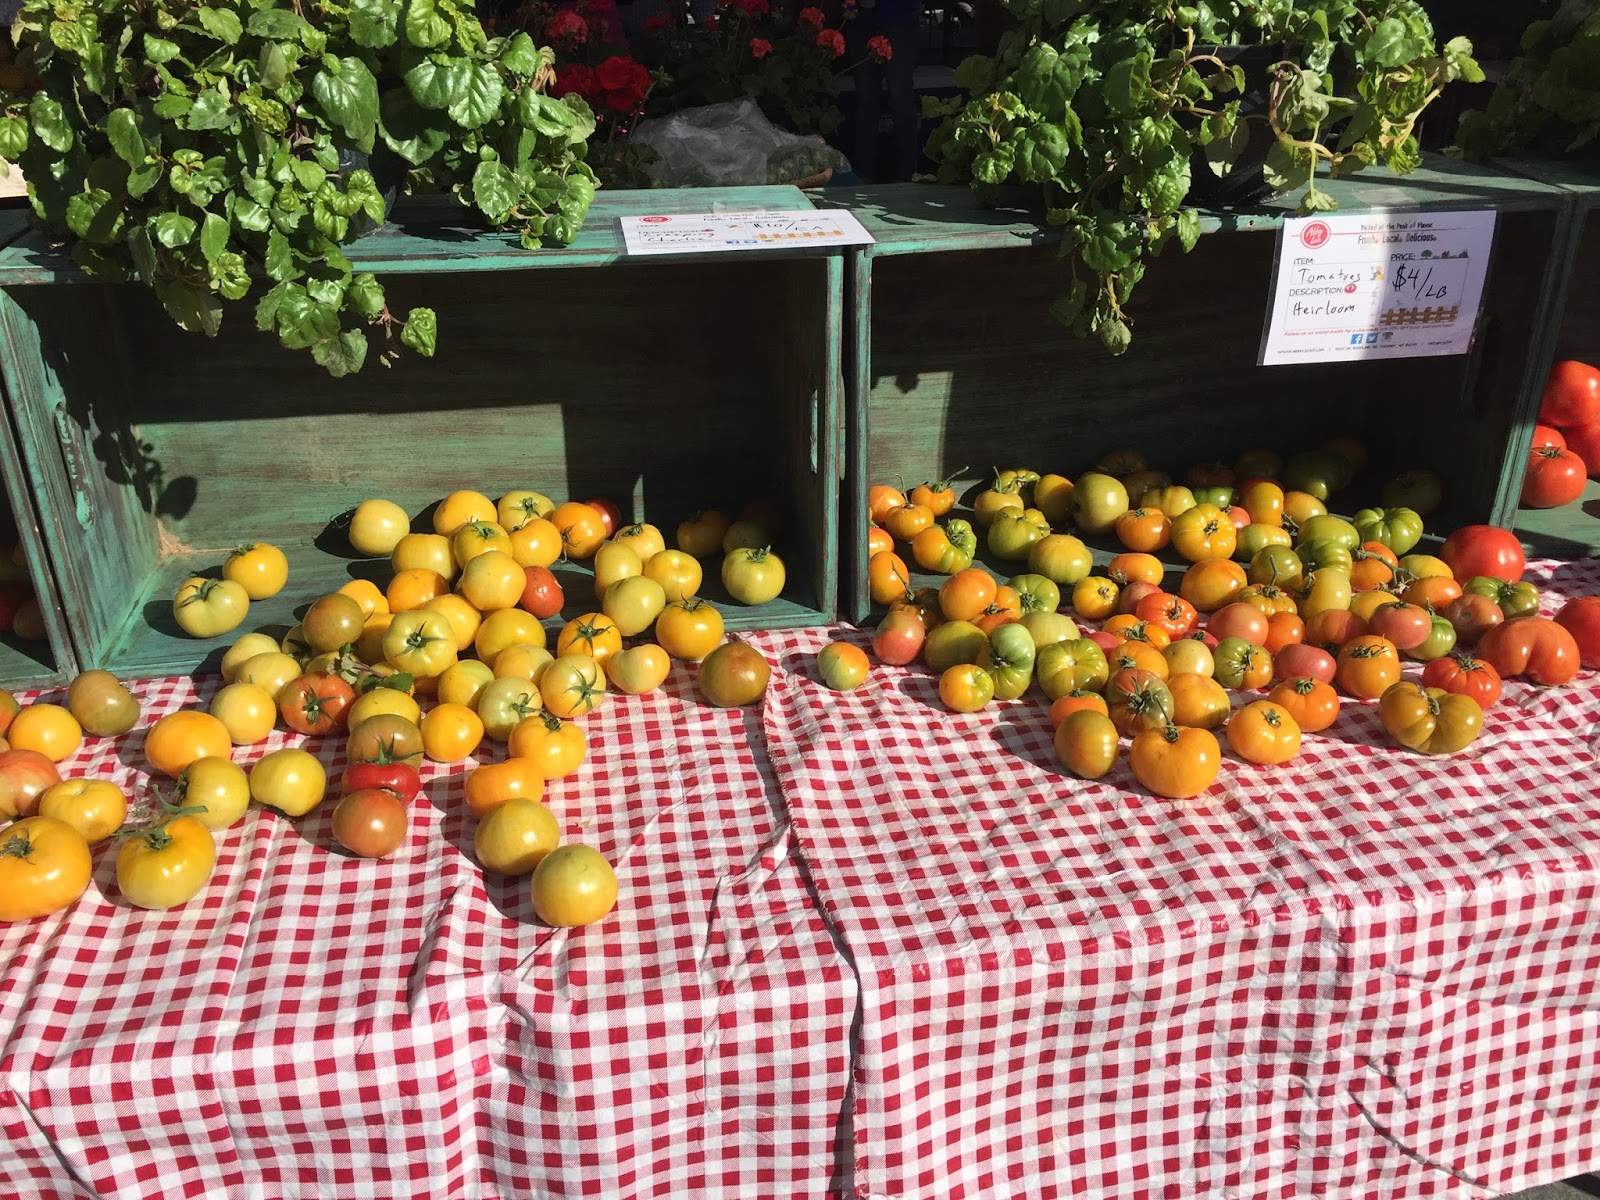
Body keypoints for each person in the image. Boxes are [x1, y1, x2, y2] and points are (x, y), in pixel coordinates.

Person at [849, 0, 920, 182]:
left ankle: (907, 174)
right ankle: (863, 173)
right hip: (859, 15)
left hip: (899, 15)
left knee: (900, 95)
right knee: (866, 97)